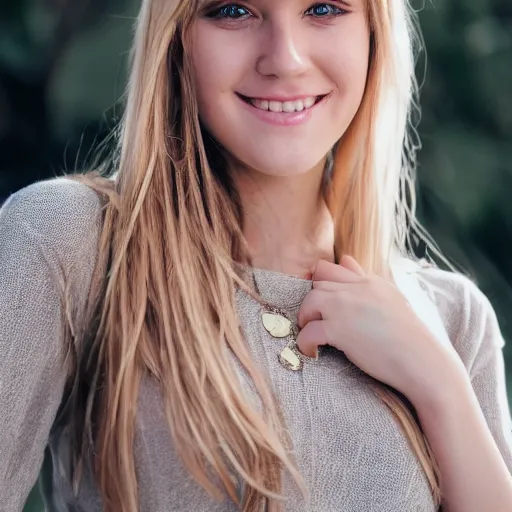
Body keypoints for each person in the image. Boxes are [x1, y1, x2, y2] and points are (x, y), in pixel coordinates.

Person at [1, 0, 511, 510]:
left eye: (325, 8)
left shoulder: (452, 319)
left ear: (373, 34)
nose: (285, 59)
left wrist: (441, 389)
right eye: (233, 10)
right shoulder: (73, 242)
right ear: (176, 35)